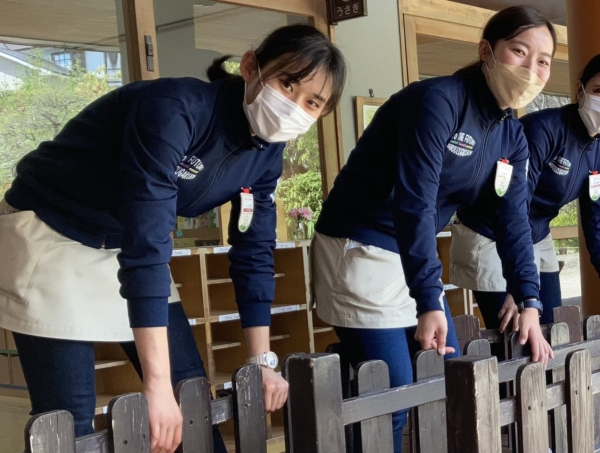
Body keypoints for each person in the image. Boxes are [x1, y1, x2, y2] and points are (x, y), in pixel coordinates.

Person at [0, 24, 345, 453]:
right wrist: (156, 386)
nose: (293, 106)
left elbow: (254, 250)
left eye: (312, 102)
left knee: (192, 404)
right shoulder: (173, 108)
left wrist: (260, 361)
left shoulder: (266, 154)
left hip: (123, 247)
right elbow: (149, 235)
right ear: (250, 66)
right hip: (51, 234)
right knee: (68, 422)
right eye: (287, 84)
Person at [310, 6, 555, 452]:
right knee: (392, 397)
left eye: (543, 61)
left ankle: (348, 373)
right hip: (361, 247)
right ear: (487, 52)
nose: (530, 69)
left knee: (446, 377)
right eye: (519, 52)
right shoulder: (438, 101)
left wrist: (529, 300)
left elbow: (514, 221)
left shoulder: (511, 136)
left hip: (410, 255)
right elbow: (415, 201)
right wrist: (429, 299)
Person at [451, 54, 600, 332]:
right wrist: (518, 287)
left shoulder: (598, 150)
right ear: (580, 91)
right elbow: (514, 202)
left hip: (537, 234)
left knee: (553, 327)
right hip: (493, 232)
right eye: (599, 90)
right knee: (516, 336)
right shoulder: (542, 129)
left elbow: (596, 221)